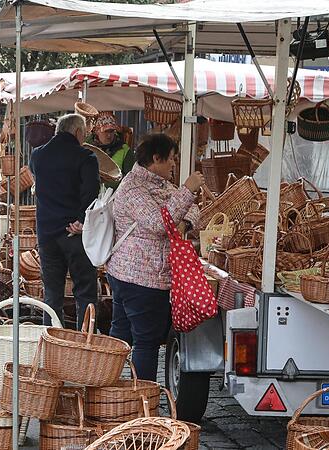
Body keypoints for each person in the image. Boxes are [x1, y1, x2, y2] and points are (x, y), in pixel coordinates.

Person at [106, 133, 203, 382]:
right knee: (145, 341)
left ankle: (111, 387)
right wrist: (188, 189)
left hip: (136, 274)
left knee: (123, 334)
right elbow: (158, 223)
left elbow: (191, 208)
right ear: (156, 158)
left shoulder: (159, 184)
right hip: (140, 278)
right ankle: (142, 399)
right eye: (171, 159)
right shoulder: (135, 188)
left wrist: (184, 222)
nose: (174, 164)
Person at [29, 113, 100, 329]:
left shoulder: (37, 156)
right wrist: (82, 220)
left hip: (47, 234)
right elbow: (91, 193)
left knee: (52, 295)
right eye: (84, 134)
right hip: (75, 233)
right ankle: (84, 343)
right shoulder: (86, 157)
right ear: (77, 132)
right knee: (85, 293)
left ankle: (51, 342)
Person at [87, 114, 135, 190]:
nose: (109, 135)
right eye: (105, 131)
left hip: (115, 195)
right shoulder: (87, 147)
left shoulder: (124, 149)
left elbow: (131, 177)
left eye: (111, 131)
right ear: (97, 131)